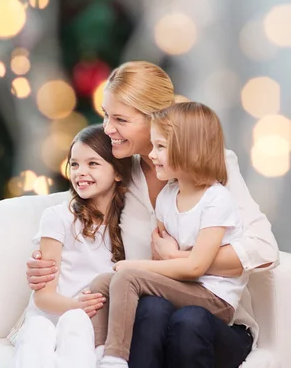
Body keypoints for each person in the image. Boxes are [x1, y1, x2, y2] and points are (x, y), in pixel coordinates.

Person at [25, 61, 279, 368]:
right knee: (151, 310)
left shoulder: (210, 167)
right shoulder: (120, 173)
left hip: (211, 321)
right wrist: (46, 268)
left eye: (120, 119)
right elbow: (77, 216)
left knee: (188, 321)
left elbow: (264, 249)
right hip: (149, 317)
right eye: (106, 115)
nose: (108, 129)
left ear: (157, 118)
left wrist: (181, 258)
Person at [90, 101, 249, 368]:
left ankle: (115, 359)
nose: (151, 155)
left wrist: (133, 266)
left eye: (160, 147)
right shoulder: (167, 196)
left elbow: (196, 266)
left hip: (214, 298)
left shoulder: (215, 199)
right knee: (102, 283)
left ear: (189, 149)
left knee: (126, 276)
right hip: (183, 288)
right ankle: (97, 351)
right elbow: (162, 262)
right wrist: (146, 265)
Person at [14, 125, 131, 368]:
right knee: (39, 331)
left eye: (93, 164)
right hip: (51, 316)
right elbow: (43, 297)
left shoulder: (130, 222)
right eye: (74, 164)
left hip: (88, 324)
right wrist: (76, 306)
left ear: (118, 172)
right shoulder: (58, 217)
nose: (80, 172)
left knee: (77, 328)